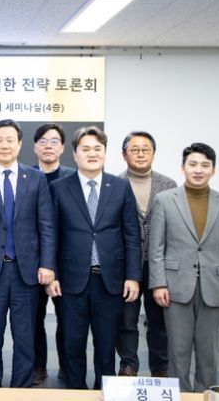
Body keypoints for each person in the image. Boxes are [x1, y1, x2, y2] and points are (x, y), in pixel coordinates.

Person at [45, 126, 142, 390]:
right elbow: (51, 234)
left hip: (110, 280)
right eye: (85, 149)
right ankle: (75, 391)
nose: (92, 154)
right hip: (71, 281)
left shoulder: (120, 187)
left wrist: (133, 277)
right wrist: (51, 273)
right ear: (74, 154)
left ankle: (103, 391)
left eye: (97, 149)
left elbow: (132, 235)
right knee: (72, 343)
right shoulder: (59, 188)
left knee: (106, 345)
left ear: (105, 153)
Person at [0, 119, 56, 388]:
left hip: (26, 271)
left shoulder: (36, 178)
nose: (4, 145)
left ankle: (21, 388)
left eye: (10, 140)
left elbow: (46, 225)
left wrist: (47, 264)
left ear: (19, 144)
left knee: (25, 336)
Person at [149, 143, 219, 392]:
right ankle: (180, 394)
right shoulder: (165, 200)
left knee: (208, 350)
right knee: (177, 349)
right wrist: (158, 283)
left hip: (214, 285)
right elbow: (156, 247)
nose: (198, 170)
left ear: (213, 170)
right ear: (183, 168)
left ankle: (207, 393)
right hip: (175, 286)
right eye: (192, 164)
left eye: (204, 165)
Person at [115, 131, 177, 378]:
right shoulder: (115, 183)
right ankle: (128, 365)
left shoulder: (168, 185)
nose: (140, 154)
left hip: (158, 262)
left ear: (153, 153)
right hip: (126, 264)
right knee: (126, 319)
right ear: (124, 155)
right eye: (135, 150)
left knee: (159, 319)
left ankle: (160, 367)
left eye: (145, 150)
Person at [31, 123, 75, 384]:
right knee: (33, 320)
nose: (48, 146)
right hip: (33, 262)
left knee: (68, 320)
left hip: (67, 262)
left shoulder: (73, 178)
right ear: (35, 147)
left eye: (54, 141)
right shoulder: (25, 176)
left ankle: (68, 367)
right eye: (43, 141)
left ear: (63, 147)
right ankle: (38, 366)